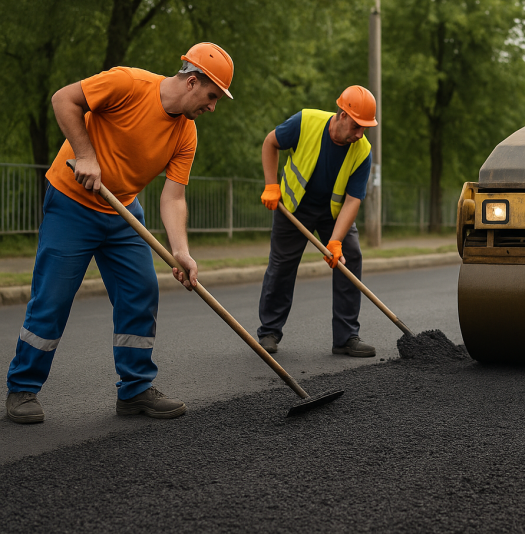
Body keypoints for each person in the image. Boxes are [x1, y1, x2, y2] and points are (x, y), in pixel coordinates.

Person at [5, 43, 234, 425]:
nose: (212, 107)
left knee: (141, 292)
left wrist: (181, 251)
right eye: (212, 96)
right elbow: (63, 99)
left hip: (123, 211)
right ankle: (23, 388)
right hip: (72, 204)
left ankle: (135, 389)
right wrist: (86, 154)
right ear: (193, 81)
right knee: (53, 298)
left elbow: (173, 198)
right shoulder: (128, 83)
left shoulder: (186, 134)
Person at [257, 86, 376, 358]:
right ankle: (269, 332)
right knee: (282, 265)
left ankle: (346, 337)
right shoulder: (306, 122)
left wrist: (335, 241)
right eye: (357, 126)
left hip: (333, 213)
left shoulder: (363, 151)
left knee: (351, 257)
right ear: (343, 114)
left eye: (365, 129)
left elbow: (352, 200)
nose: (360, 134)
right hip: (293, 206)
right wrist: (271, 185)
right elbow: (270, 142)